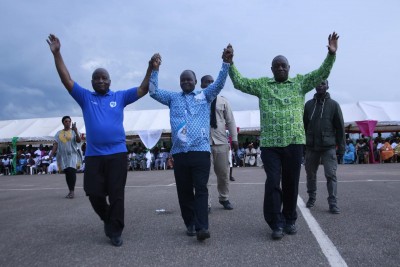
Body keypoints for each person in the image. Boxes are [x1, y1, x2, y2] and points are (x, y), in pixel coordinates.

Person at [47, 33, 160, 247]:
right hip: (95, 155)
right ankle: (109, 218)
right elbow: (66, 79)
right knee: (93, 192)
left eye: (104, 78)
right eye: (96, 78)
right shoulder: (85, 97)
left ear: (109, 81)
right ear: (92, 82)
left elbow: (143, 89)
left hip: (117, 154)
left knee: (117, 194)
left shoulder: (119, 97)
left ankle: (115, 230)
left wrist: (150, 68)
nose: (100, 80)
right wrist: (57, 53)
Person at [228, 32, 339, 240]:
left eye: (283, 66)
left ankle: (290, 219)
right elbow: (240, 83)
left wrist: (331, 55)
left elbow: (321, 72)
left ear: (289, 69)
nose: (280, 68)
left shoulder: (299, 83)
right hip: (270, 144)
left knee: (291, 182)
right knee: (273, 182)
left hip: (294, 142)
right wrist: (230, 64)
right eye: (276, 66)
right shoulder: (263, 85)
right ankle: (275, 223)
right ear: (271, 70)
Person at [149, 46, 233, 241]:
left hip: (200, 151)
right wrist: (154, 70)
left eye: (189, 79)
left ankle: (202, 226)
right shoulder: (172, 98)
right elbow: (153, 92)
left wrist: (226, 63)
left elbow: (219, 83)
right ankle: (190, 223)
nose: (186, 81)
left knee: (201, 189)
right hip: (179, 153)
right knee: (184, 191)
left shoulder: (204, 96)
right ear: (180, 83)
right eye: (183, 79)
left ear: (196, 82)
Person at [303, 80, 345, 214]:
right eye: (317, 83)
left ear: (327, 86)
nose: (320, 85)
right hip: (311, 146)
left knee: (331, 174)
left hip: (328, 146)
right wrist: (302, 146)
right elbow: (302, 126)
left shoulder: (333, 105)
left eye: (323, 83)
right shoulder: (308, 105)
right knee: (310, 174)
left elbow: (340, 128)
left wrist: (342, 148)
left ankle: (333, 203)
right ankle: (311, 198)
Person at [200, 74, 238, 212]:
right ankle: (206, 204)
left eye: (212, 82)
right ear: (201, 85)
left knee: (223, 173)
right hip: (203, 143)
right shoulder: (198, 101)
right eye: (206, 82)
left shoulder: (223, 101)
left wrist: (234, 139)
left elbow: (231, 121)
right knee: (205, 176)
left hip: (221, 142)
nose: (209, 84)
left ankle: (224, 198)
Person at [50, 116, 82, 199]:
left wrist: (75, 130)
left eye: (69, 121)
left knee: (71, 171)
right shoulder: (58, 133)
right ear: (63, 123)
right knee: (67, 173)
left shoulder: (74, 131)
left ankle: (72, 191)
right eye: (66, 121)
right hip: (63, 156)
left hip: (73, 155)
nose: (68, 123)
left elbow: (79, 141)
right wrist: (51, 154)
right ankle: (70, 190)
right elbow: (55, 144)